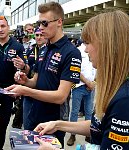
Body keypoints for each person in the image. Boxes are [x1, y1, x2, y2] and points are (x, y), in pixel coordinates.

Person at [33, 9, 129, 150]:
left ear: (107, 45)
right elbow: (98, 125)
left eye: (88, 43)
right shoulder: (117, 86)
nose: (86, 50)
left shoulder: (127, 99)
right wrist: (57, 124)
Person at [5, 1, 81, 146]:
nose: (40, 28)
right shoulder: (44, 49)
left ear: (59, 22)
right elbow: (35, 81)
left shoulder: (72, 53)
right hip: (34, 113)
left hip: (54, 120)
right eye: (39, 23)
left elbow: (61, 96)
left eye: (44, 23)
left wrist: (26, 91)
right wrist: (24, 81)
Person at [0, 16, 28, 150]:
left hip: (8, 94)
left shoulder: (18, 47)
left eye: (3, 26)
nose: (1, 29)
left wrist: (23, 67)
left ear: (8, 28)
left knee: (2, 127)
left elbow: (24, 70)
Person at [11, 27, 47, 128]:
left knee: (41, 124)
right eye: (37, 35)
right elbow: (25, 68)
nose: (39, 37)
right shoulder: (31, 50)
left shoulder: (49, 51)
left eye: (41, 35)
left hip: (43, 90)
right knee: (27, 123)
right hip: (28, 88)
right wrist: (22, 69)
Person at [67, 43, 96, 146]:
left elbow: (98, 68)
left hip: (91, 87)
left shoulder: (97, 48)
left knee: (89, 111)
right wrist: (87, 82)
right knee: (74, 111)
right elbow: (75, 69)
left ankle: (89, 133)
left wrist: (93, 83)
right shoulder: (77, 50)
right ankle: (72, 134)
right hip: (78, 86)